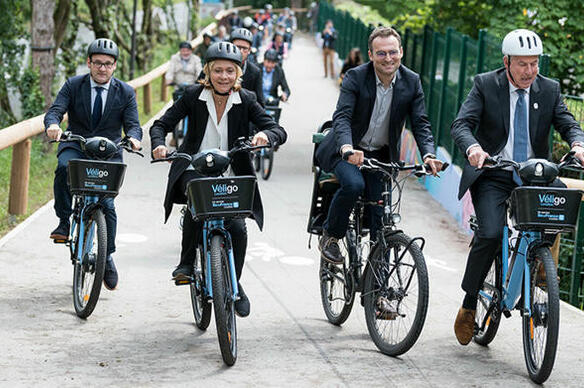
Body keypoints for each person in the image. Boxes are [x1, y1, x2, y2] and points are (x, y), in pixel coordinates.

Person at [451, 29, 584, 346]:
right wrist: (473, 150)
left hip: (532, 174)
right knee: (490, 233)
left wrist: (578, 143)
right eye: (523, 64)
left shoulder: (548, 89)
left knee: (561, 200)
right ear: (507, 61)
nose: (530, 71)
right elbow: (461, 124)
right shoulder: (486, 84)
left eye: (535, 64)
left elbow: (567, 121)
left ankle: (541, 262)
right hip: (494, 173)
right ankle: (470, 303)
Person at [149, 42, 287, 317]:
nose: (223, 76)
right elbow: (160, 124)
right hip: (194, 166)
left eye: (229, 71)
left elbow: (277, 129)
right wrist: (159, 144)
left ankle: (235, 283)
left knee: (237, 227)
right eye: (218, 71)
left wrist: (265, 136)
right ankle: (186, 263)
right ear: (208, 72)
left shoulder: (246, 99)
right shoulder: (192, 95)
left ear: (238, 73)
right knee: (195, 203)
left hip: (231, 170)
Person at [315, 27, 442, 318]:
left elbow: (420, 123)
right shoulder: (356, 77)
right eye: (381, 53)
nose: (388, 58)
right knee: (353, 185)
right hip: (346, 150)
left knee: (381, 222)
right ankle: (331, 237)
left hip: (380, 155)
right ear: (371, 55)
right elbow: (343, 116)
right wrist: (347, 148)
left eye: (393, 52)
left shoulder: (411, 82)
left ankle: (378, 294)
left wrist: (430, 155)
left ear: (401, 53)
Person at [44, 38, 143, 290]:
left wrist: (134, 138)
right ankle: (64, 221)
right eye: (97, 63)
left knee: (107, 203)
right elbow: (55, 110)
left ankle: (106, 256)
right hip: (76, 142)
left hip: (108, 150)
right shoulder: (73, 85)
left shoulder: (125, 92)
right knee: (63, 168)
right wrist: (53, 125)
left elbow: (133, 124)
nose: (102, 68)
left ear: (115, 66)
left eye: (108, 64)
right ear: (89, 62)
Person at [230, 28, 265, 107]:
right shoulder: (217, 65)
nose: (241, 51)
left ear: (249, 50)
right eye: (238, 47)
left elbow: (260, 103)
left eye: (245, 48)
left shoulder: (255, 72)